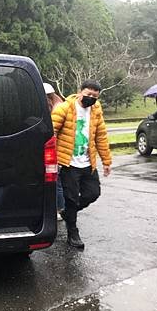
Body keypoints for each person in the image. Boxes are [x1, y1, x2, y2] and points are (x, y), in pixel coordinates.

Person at [51, 79, 112, 249]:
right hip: (68, 164)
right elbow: (51, 131)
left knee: (93, 193)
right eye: (88, 94)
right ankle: (73, 233)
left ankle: (67, 213)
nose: (91, 98)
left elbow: (101, 136)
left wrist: (106, 161)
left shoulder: (96, 110)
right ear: (80, 92)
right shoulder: (65, 108)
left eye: (95, 96)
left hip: (87, 163)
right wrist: (50, 157)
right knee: (70, 198)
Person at [43, 83, 65, 217]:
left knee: (57, 182)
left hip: (56, 151)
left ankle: (59, 209)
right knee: (58, 181)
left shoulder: (56, 109)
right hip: (59, 150)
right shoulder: (60, 104)